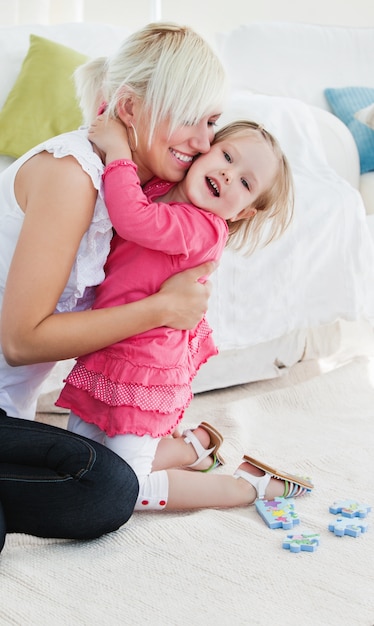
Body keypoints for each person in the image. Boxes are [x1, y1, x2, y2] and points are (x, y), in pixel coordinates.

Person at [0, 22, 227, 552]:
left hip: (10, 411)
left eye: (212, 121)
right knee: (108, 489)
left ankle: (161, 448)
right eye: (188, 117)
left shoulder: (132, 192)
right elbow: (21, 341)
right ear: (129, 108)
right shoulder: (71, 173)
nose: (203, 142)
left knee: (105, 481)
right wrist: (162, 308)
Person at [56, 115, 311, 514]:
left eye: (245, 183)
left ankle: (248, 486)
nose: (228, 176)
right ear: (203, 147)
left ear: (243, 213)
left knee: (126, 487)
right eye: (227, 156)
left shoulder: (202, 227)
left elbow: (132, 217)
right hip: (108, 347)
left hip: (142, 363)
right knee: (83, 458)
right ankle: (190, 449)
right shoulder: (165, 188)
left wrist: (119, 150)